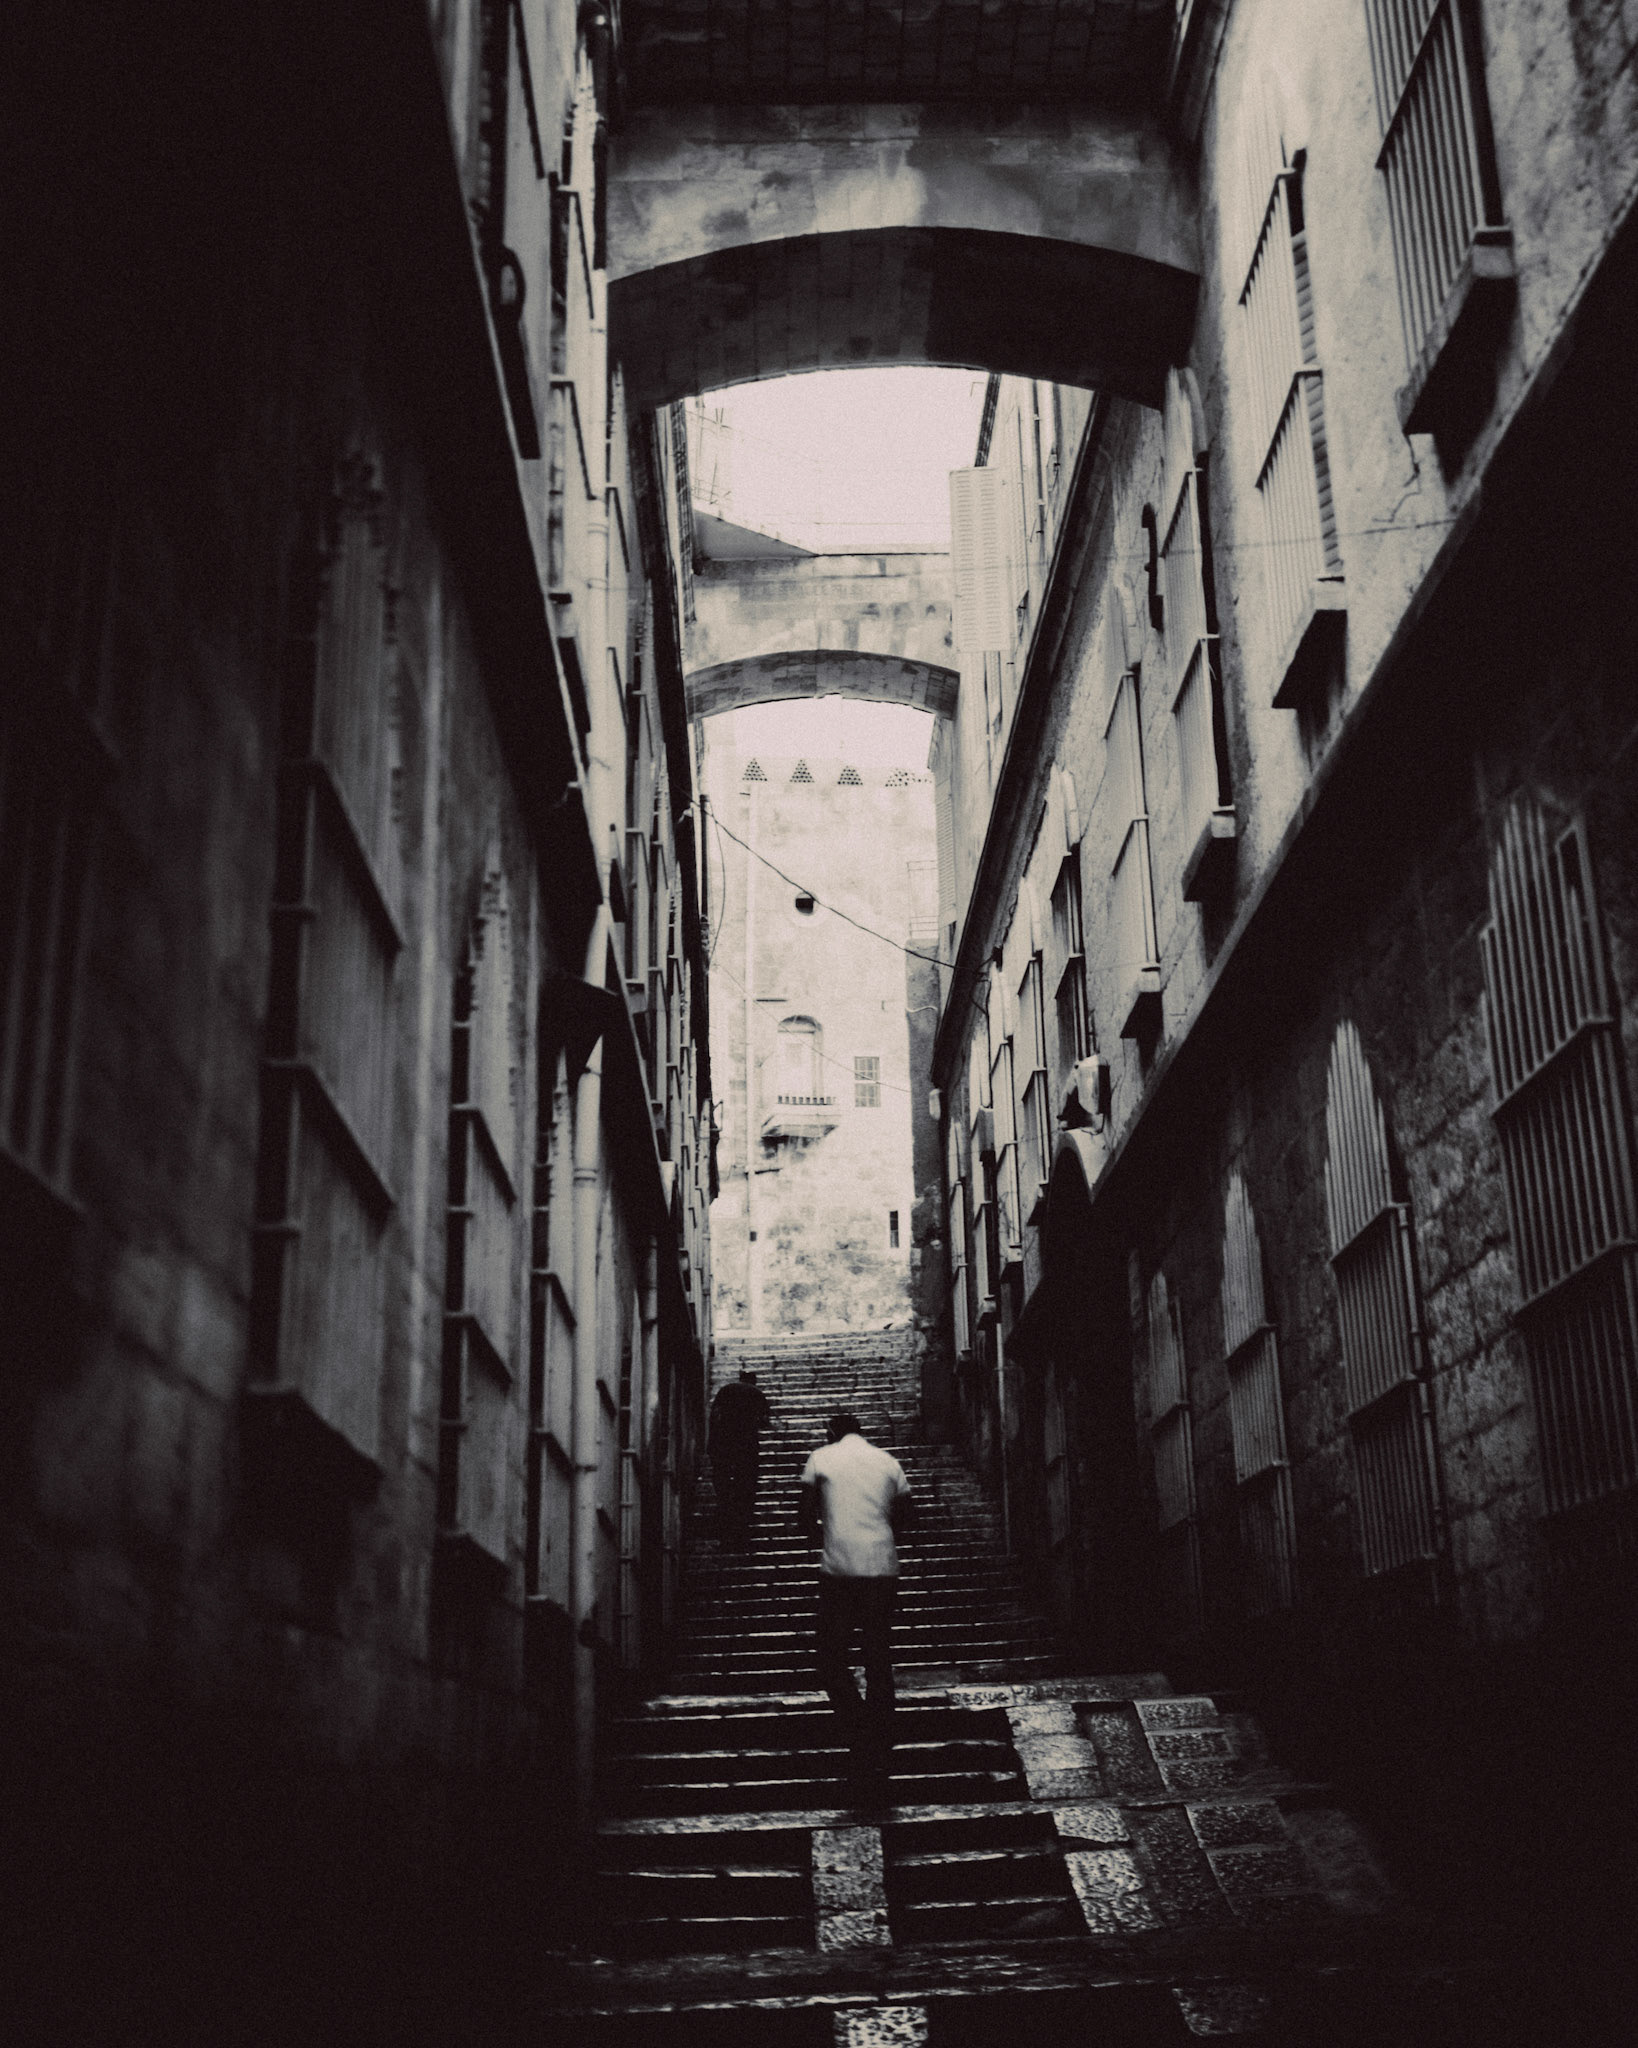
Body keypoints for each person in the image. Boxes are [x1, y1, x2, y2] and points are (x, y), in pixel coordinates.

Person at [799, 1409, 912, 1795]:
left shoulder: (821, 1457)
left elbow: (803, 1513)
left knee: (831, 1656)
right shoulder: (888, 1461)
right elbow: (908, 1514)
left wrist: (825, 1536)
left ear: (831, 1431)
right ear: (862, 1431)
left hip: (839, 1571)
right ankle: (881, 1727)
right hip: (883, 1568)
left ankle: (856, 1722)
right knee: (878, 1652)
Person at [707, 1367, 771, 1547]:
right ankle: (743, 1529)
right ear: (754, 1380)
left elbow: (714, 1416)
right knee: (745, 1486)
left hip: (722, 1446)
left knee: (724, 1486)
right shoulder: (756, 1393)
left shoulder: (725, 1390)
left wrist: (711, 1447)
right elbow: (765, 1421)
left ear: (740, 1378)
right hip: (746, 1446)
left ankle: (725, 1525)